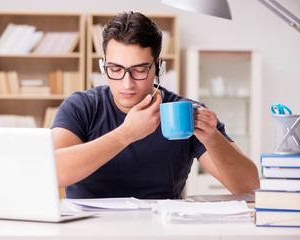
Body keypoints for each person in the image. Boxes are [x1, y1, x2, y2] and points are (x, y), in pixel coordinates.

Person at [51, 11, 259, 199]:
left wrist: (213, 139)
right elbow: (51, 172)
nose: (127, 83)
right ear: (103, 65)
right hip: (89, 229)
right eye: (115, 69)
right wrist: (126, 134)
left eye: (140, 70)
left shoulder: (184, 112)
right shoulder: (81, 106)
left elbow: (251, 188)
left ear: (159, 67)